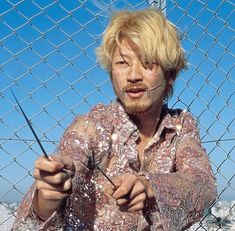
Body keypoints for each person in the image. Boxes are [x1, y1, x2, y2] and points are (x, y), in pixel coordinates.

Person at [12, 8, 216, 231]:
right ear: (111, 73)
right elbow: (71, 158)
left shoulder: (180, 125)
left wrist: (151, 186)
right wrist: (47, 197)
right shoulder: (93, 126)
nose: (133, 75)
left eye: (148, 63)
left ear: (170, 75)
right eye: (122, 63)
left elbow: (204, 187)